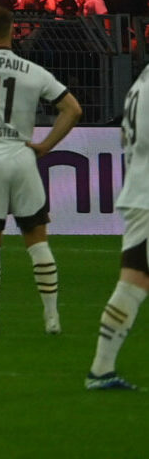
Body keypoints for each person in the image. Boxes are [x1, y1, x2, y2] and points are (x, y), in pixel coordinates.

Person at [0, 5, 82, 338]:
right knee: (38, 243)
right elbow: (73, 109)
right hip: (24, 160)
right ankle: (52, 318)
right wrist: (45, 146)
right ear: (12, 30)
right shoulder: (32, 71)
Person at [86, 66, 149, 390]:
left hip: (141, 189)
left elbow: (126, 135)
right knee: (133, 282)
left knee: (135, 282)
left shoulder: (141, 79)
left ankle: (101, 369)